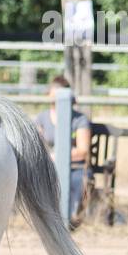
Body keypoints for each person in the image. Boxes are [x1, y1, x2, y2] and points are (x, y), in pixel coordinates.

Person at [34, 75, 91, 225]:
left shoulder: (79, 119)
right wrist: (48, 157)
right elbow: (36, 145)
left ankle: (70, 218)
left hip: (74, 166)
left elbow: (82, 151)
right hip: (48, 164)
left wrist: (58, 157)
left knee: (77, 179)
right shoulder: (41, 118)